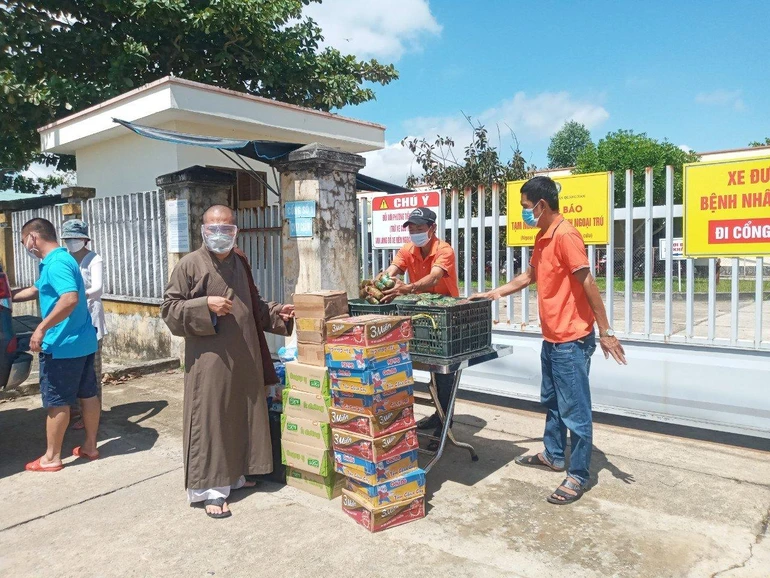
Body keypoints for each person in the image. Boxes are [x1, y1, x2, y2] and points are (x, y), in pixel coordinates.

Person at [474, 176, 627, 505]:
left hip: (572, 340)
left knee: (575, 410)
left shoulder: (566, 235)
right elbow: (529, 276)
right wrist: (494, 292)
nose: (523, 214)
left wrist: (606, 331)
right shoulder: (543, 237)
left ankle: (579, 474)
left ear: (541, 205)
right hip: (552, 338)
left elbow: (587, 282)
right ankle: (554, 456)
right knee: (554, 403)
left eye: (526, 207)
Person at [161, 205, 294, 519]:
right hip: (210, 358)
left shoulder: (240, 260)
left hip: (243, 353)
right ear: (204, 230)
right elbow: (169, 310)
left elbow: (253, 303)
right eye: (213, 228)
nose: (220, 235)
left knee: (240, 416)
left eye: (227, 229)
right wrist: (204, 304)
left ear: (235, 231)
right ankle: (211, 490)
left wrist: (278, 314)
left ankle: (236, 476)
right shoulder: (189, 265)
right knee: (213, 418)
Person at [13, 218, 100, 471]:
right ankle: (90, 447)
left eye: (22, 241)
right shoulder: (61, 260)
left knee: (58, 401)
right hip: (82, 342)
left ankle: (51, 457)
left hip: (62, 345)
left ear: (33, 238)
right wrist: (7, 295)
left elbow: (70, 298)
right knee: (88, 395)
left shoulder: (57, 263)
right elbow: (38, 289)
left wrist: (41, 328)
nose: (24, 246)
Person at [378, 207, 459, 449]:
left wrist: (407, 288)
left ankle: (445, 424)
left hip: (444, 315)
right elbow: (394, 270)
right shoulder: (407, 249)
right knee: (420, 368)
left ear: (432, 229)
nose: (414, 233)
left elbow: (434, 278)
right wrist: (381, 281)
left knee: (443, 374)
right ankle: (438, 414)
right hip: (418, 313)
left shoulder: (444, 250)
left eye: (419, 229)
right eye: (411, 229)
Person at [60, 219, 107, 430]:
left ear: (85, 239)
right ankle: (75, 410)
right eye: (68, 239)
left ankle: (92, 413)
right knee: (72, 368)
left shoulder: (94, 259)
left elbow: (97, 289)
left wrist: (74, 296)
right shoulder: (64, 259)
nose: (71, 242)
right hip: (70, 320)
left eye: (75, 238)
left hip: (91, 320)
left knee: (92, 369)